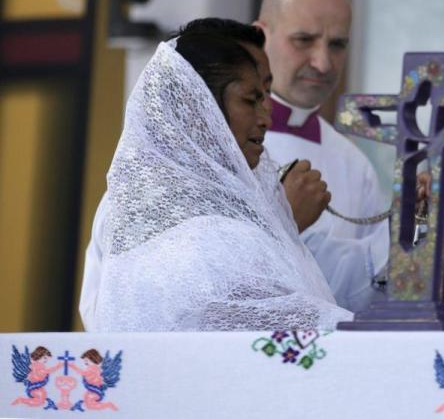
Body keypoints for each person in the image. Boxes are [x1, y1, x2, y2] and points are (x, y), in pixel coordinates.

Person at [82, 28, 351, 331]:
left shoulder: (231, 214)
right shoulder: (210, 237)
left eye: (266, 95)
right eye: (251, 99)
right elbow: (295, 335)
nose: (266, 117)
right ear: (199, 111)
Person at [255, 0, 389, 311]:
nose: (323, 62)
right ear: (260, 37)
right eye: (303, 40)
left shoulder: (353, 162)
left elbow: (372, 291)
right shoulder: (214, 146)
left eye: (337, 45)